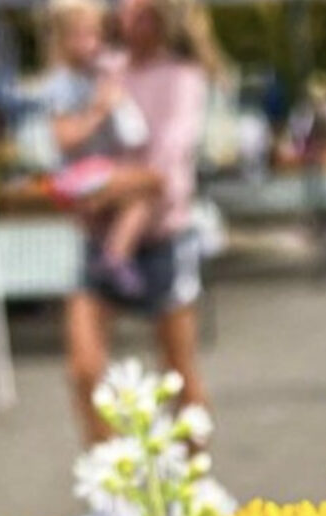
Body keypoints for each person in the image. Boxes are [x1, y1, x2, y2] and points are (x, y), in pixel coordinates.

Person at [64, 0, 218, 444]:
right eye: (126, 11)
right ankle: (109, 483)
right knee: (84, 368)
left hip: (162, 237)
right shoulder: (106, 70)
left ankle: (193, 480)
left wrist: (105, 186)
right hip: (101, 233)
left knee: (178, 371)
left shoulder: (182, 77)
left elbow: (165, 168)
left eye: (143, 13)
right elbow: (78, 137)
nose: (130, 20)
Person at [44, 0, 161, 301]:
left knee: (144, 196)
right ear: (63, 40)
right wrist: (98, 111)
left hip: (97, 171)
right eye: (81, 36)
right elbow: (64, 138)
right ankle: (114, 257)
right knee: (153, 181)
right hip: (74, 177)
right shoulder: (61, 84)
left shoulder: (96, 75)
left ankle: (114, 256)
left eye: (94, 35)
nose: (91, 44)